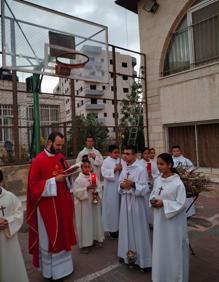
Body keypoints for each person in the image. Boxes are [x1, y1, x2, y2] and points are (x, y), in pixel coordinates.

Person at [27, 132, 77, 280]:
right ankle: (49, 272)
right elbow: (33, 187)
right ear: (49, 142)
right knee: (49, 238)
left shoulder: (60, 158)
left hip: (62, 205)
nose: (60, 148)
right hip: (47, 209)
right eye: (58, 145)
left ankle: (64, 269)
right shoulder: (38, 161)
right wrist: (54, 180)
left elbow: (67, 181)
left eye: (62, 145)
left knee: (63, 235)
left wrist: (70, 175)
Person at [150, 153, 189, 282]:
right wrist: (152, 201)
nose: (159, 167)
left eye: (162, 164)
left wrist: (164, 204)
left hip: (173, 224)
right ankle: (160, 276)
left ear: (170, 165)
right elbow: (153, 194)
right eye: (158, 164)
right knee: (160, 248)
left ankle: (174, 277)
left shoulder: (177, 183)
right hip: (160, 221)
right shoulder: (158, 180)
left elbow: (181, 203)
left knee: (173, 249)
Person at [118, 145, 152, 271]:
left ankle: (143, 260)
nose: (125, 156)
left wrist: (132, 184)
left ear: (134, 155)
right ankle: (125, 255)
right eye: (124, 153)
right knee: (125, 228)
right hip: (125, 202)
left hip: (136, 203)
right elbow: (119, 183)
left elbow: (145, 188)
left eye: (127, 154)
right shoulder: (125, 168)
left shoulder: (141, 169)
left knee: (138, 229)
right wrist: (122, 186)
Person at [0, 170, 29, 282]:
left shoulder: (10, 197)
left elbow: (19, 214)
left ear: (1, 182)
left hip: (9, 242)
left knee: (11, 267)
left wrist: (8, 222)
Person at [72, 159, 104, 254]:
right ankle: (85, 244)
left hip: (93, 204)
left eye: (89, 167)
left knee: (95, 221)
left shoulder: (93, 176)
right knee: (85, 224)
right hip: (84, 206)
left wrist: (96, 191)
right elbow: (76, 192)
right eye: (85, 167)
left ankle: (95, 238)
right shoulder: (78, 180)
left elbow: (99, 187)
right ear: (81, 168)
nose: (87, 169)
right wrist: (86, 188)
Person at [101, 145, 122, 238]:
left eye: (118, 152)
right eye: (115, 152)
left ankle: (120, 228)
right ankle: (112, 229)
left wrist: (121, 170)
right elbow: (104, 173)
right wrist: (114, 170)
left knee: (119, 208)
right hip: (110, 189)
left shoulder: (121, 161)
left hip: (120, 188)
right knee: (112, 209)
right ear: (109, 153)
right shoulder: (106, 162)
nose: (117, 154)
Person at [171, 145, 195, 217]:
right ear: (172, 152)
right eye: (174, 151)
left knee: (185, 195)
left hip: (183, 180)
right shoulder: (170, 160)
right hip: (173, 180)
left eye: (177, 151)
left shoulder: (185, 160)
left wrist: (186, 172)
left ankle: (188, 212)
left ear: (180, 151)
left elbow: (192, 167)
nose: (176, 152)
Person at [138, 147, 159, 225]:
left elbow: (157, 173)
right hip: (143, 185)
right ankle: (144, 221)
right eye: (145, 153)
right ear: (142, 154)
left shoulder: (153, 163)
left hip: (152, 185)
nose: (147, 155)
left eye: (148, 153)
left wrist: (151, 176)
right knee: (144, 205)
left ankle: (151, 221)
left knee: (150, 204)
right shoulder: (139, 163)